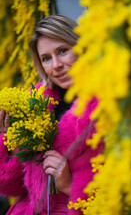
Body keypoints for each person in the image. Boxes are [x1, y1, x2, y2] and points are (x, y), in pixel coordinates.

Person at [0, 15, 103, 215]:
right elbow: (12, 187)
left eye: (63, 51)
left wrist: (68, 185)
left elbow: (121, 194)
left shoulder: (107, 106)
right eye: (46, 58)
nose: (55, 65)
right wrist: (7, 140)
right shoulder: (35, 105)